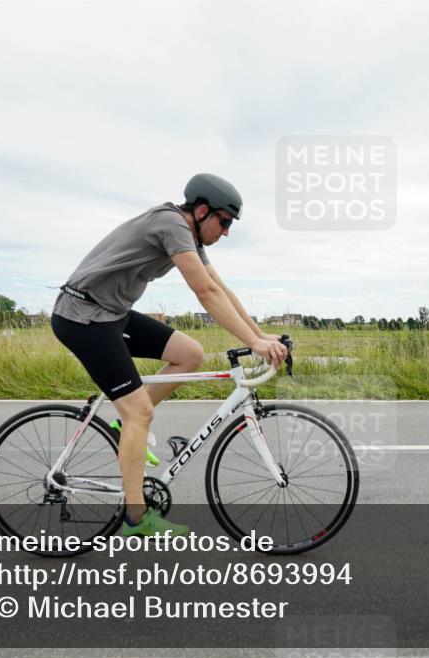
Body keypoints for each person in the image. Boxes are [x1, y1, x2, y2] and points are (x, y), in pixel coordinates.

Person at [51, 174, 288, 538]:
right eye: (224, 222)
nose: (226, 232)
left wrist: (259, 335)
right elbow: (205, 293)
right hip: (81, 317)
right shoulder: (171, 224)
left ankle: (123, 430)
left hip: (111, 313)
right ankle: (136, 518)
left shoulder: (190, 234)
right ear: (203, 210)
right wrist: (254, 344)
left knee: (190, 353)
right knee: (140, 412)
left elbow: (220, 288)